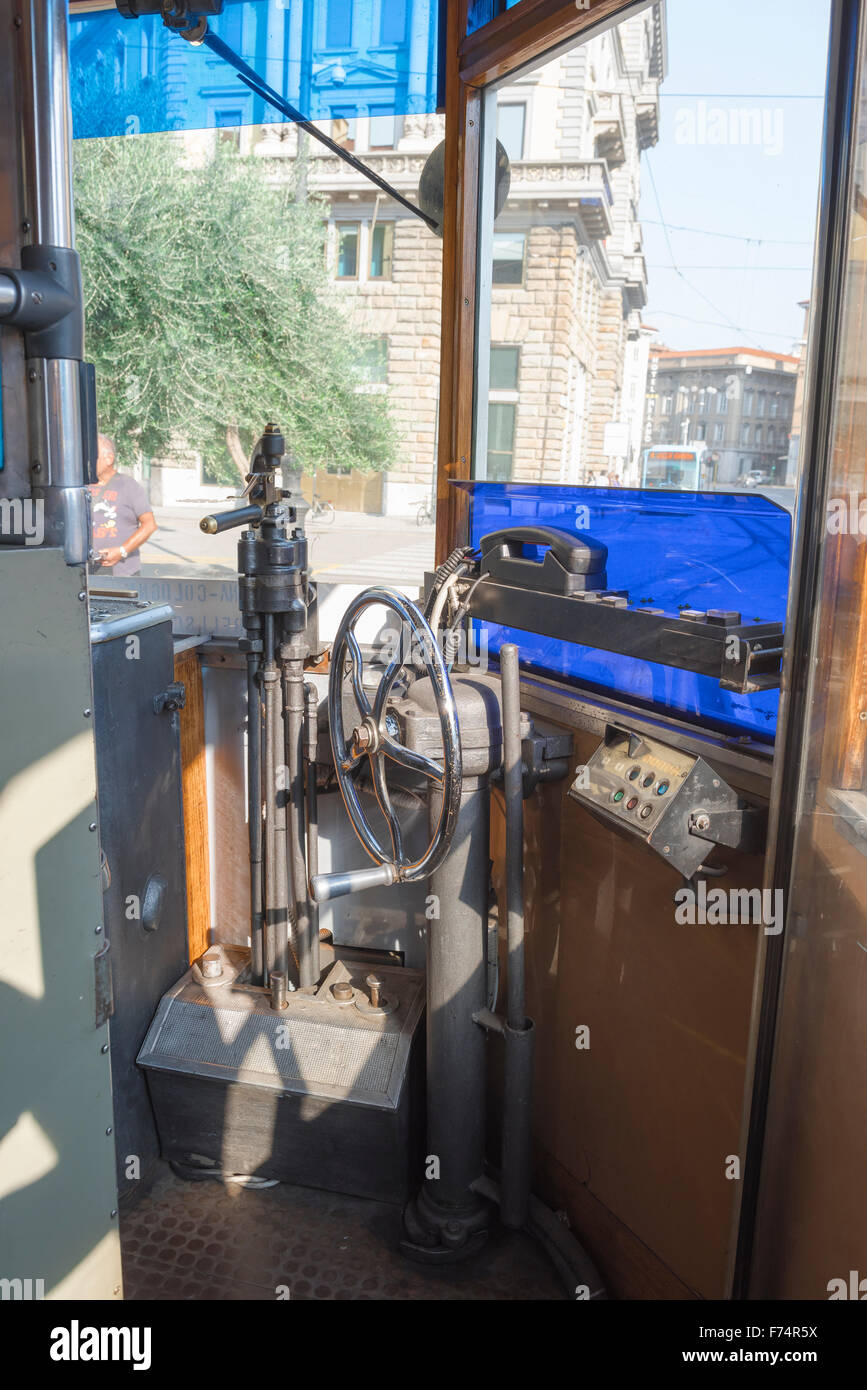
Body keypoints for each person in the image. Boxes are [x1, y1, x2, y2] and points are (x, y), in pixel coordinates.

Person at [89, 434, 157, 576]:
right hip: (85, 573)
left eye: (93, 456)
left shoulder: (129, 486)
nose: (88, 460)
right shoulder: (80, 485)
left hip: (121, 572)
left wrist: (122, 551)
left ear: (109, 458)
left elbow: (149, 525)